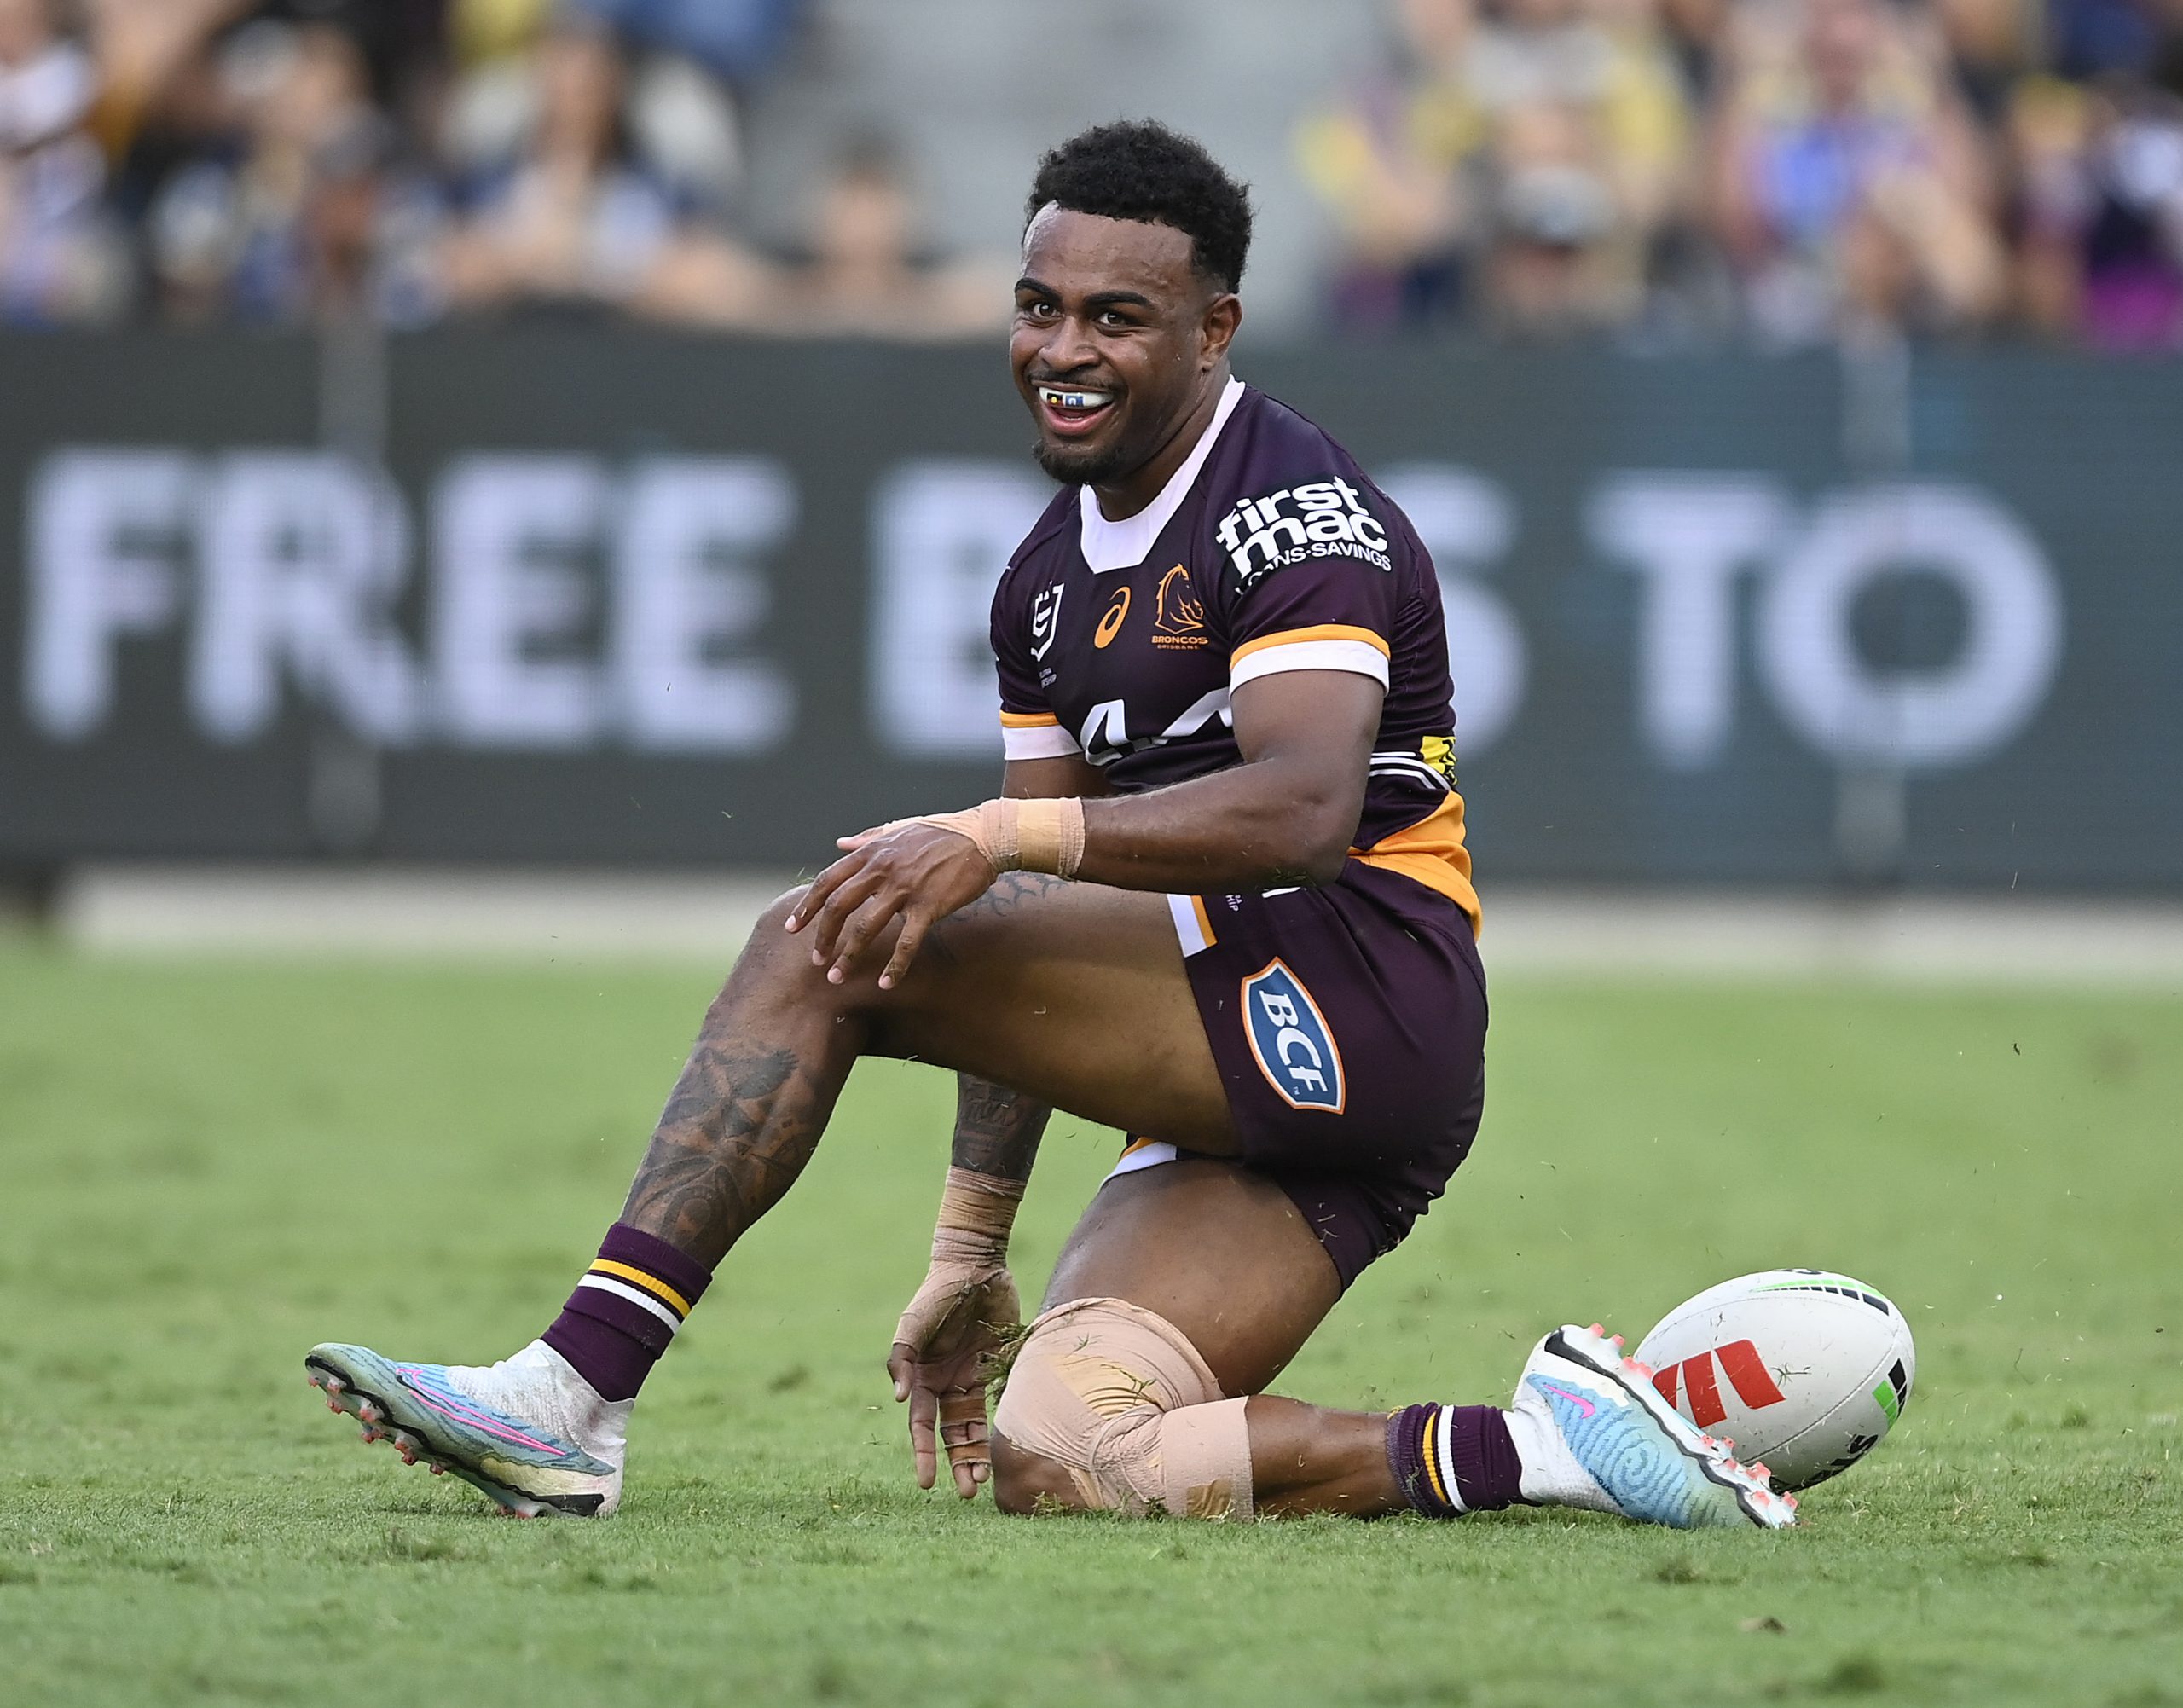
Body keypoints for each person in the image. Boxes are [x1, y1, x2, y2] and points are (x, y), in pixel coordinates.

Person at [304, 119, 1794, 1534]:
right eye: (1038, 306)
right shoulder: (1040, 579)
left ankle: (569, 1396)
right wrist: (970, 1245)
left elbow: (1301, 809)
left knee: (822, 936)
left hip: (1361, 992)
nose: (1062, 352)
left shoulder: (1298, 513)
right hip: (1249, 1065)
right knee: (1071, 1451)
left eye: (1116, 318)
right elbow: (1012, 947)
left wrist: (997, 839)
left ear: (1214, 332)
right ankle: (1557, 1449)